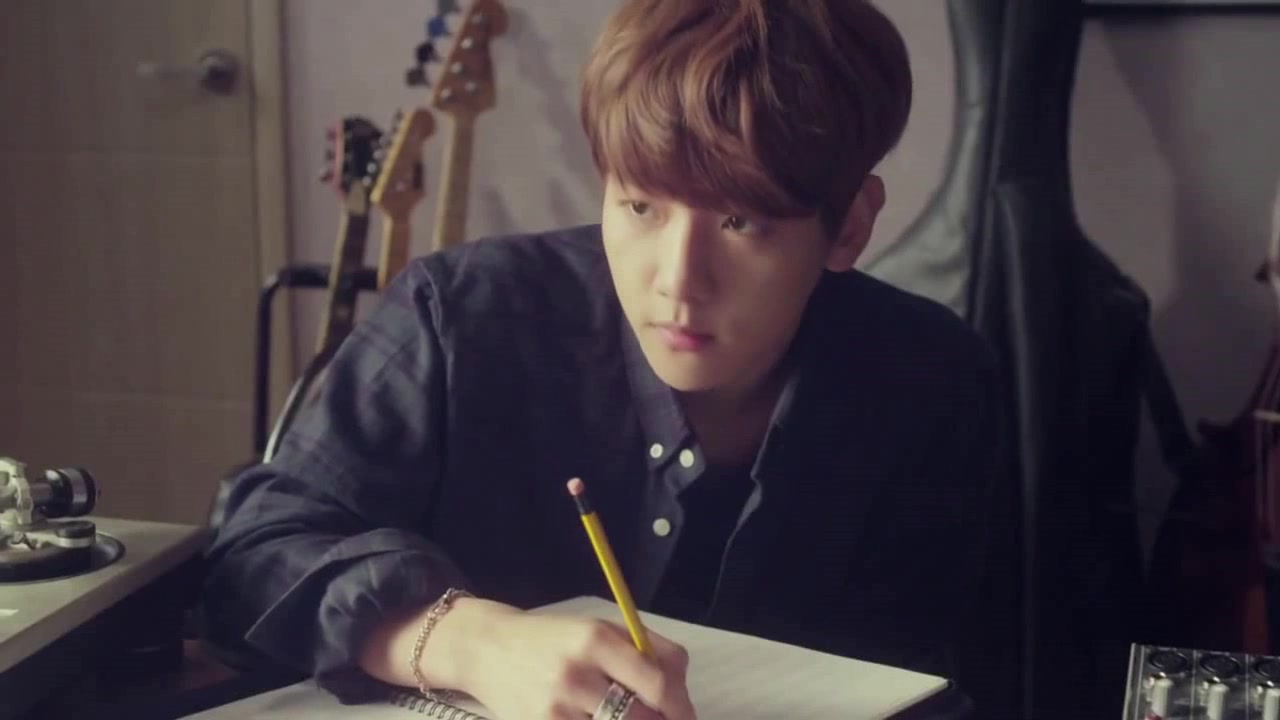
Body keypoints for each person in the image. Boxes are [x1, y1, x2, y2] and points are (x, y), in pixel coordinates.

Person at [202, 1, 1017, 718]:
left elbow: (969, 673)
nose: (677, 282)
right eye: (639, 206)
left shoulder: (933, 382)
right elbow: (253, 552)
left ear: (851, 227)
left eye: (740, 223)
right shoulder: (462, 318)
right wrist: (469, 644)